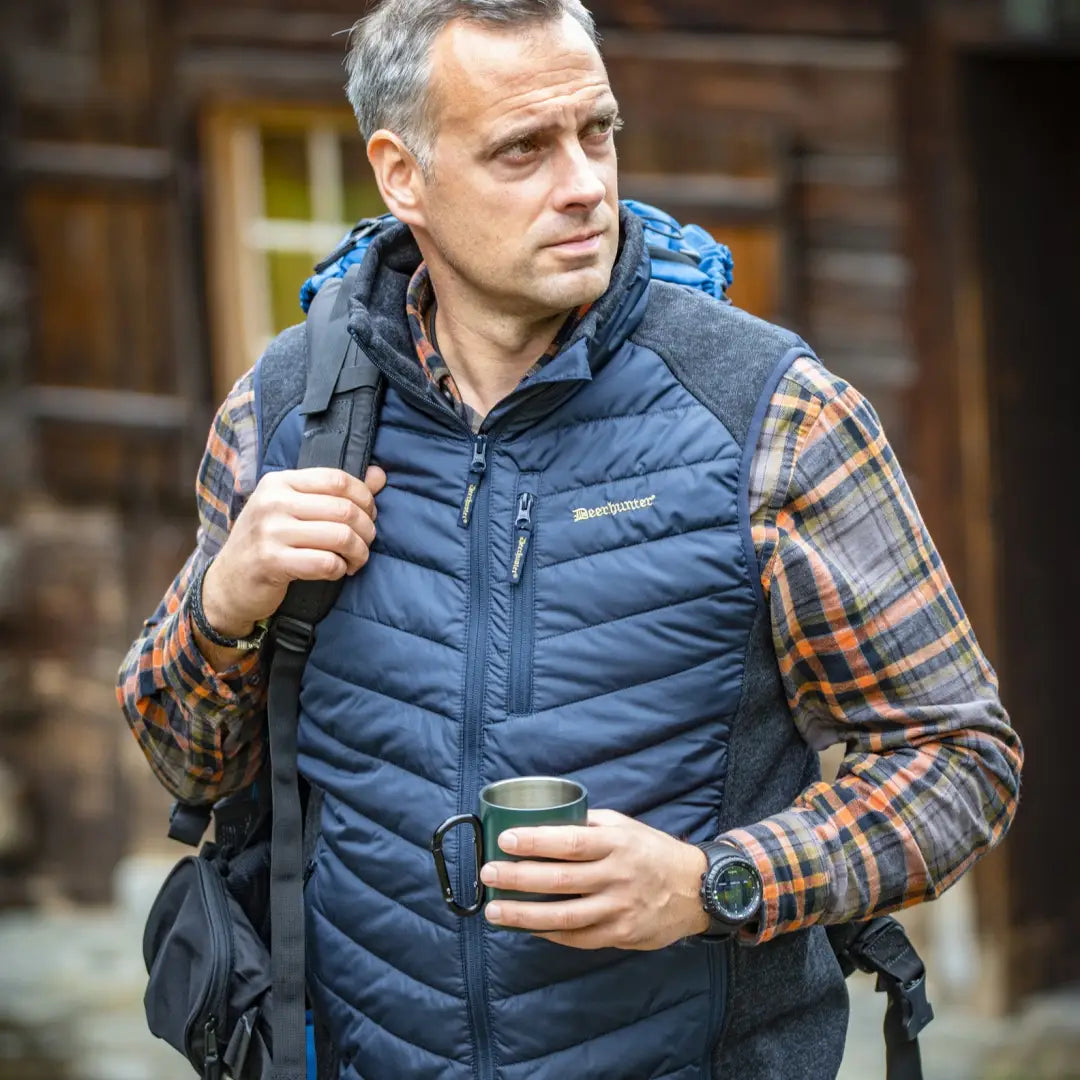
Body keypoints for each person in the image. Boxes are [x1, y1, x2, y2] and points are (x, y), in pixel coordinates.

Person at [117, 2, 1023, 1078]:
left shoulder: (772, 415)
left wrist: (717, 883)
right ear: (402, 176)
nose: (586, 183)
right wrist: (224, 602)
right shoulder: (286, 412)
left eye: (597, 132)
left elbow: (962, 761)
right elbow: (188, 764)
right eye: (523, 150)